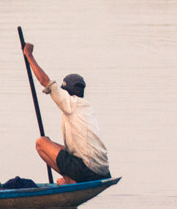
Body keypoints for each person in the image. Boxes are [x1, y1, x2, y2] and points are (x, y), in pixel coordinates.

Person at [21, 42, 110, 183]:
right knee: (55, 146)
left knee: (42, 143)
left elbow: (45, 81)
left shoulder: (70, 103)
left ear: (66, 92)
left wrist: (29, 56)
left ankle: (70, 180)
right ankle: (68, 179)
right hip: (103, 171)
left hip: (87, 170)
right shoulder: (86, 107)